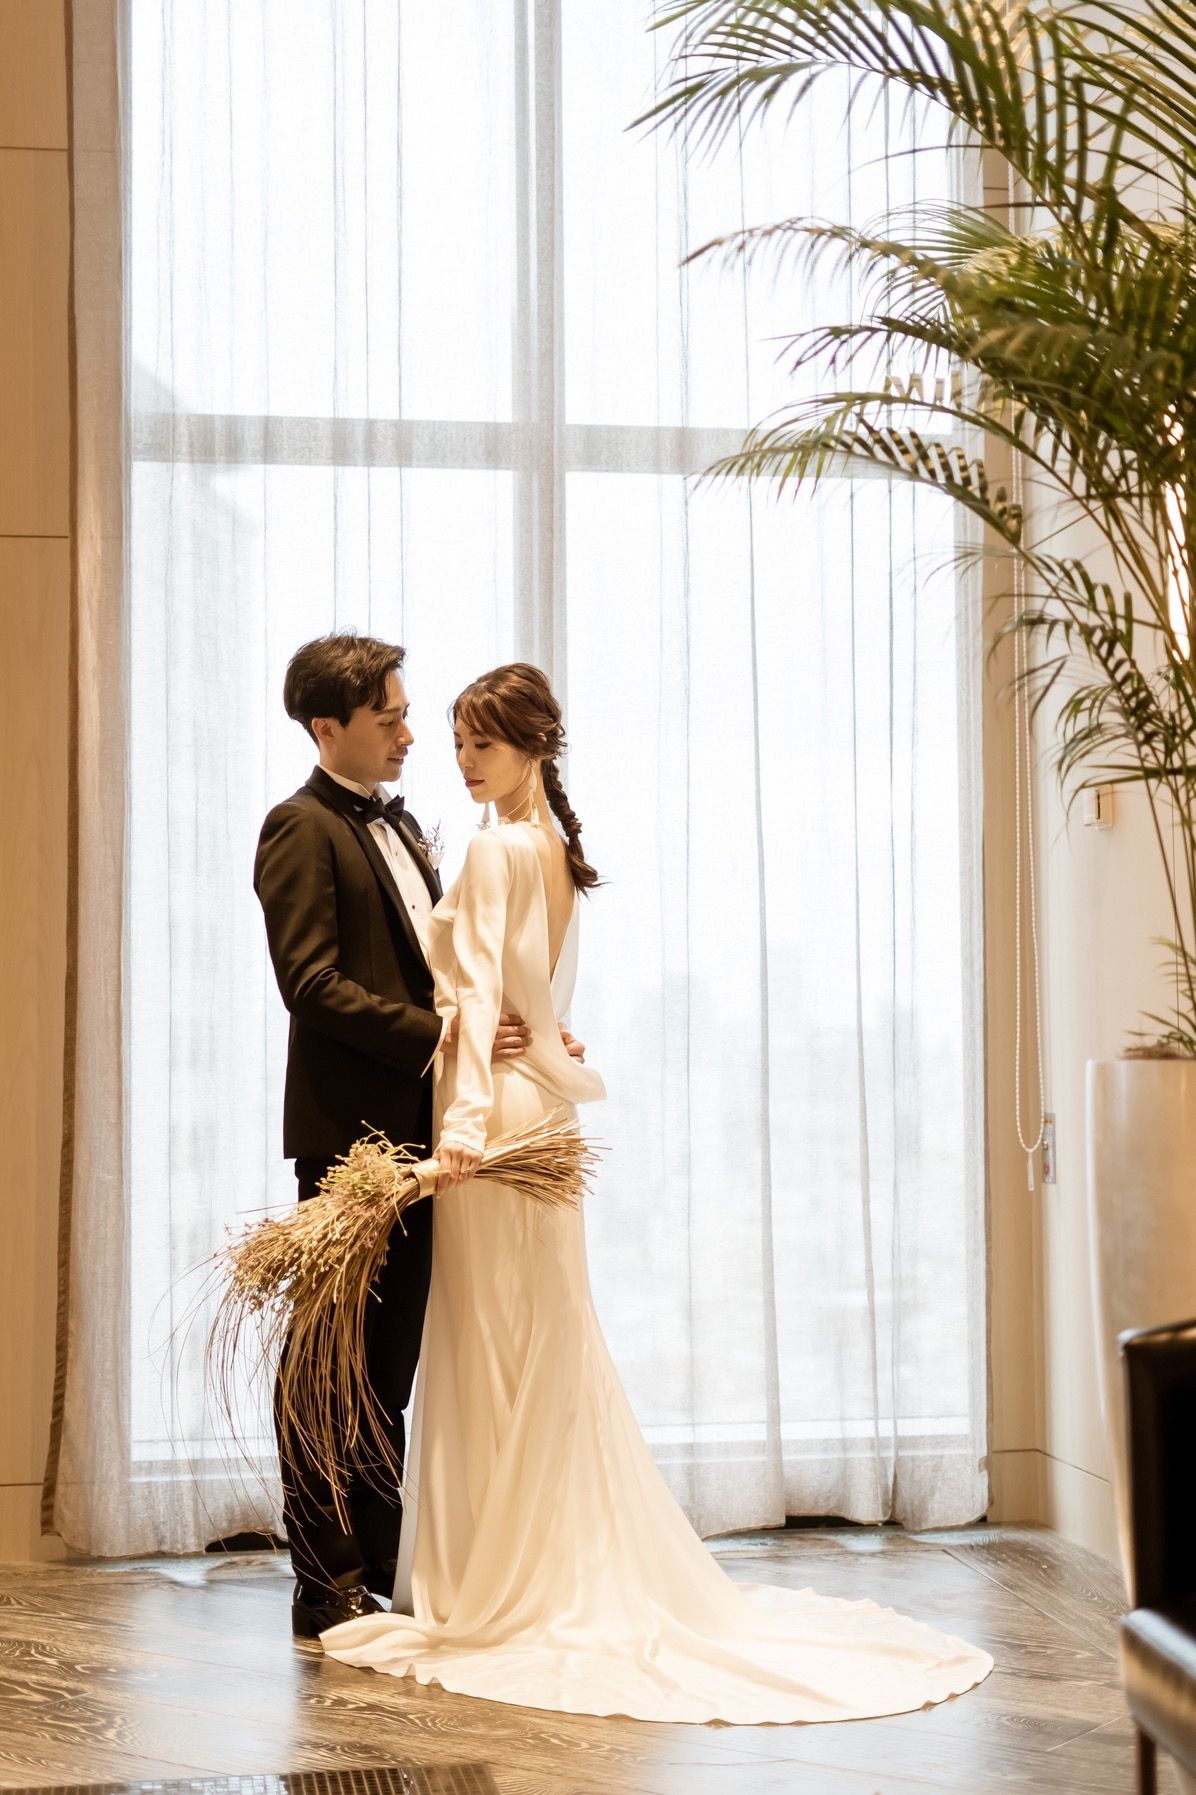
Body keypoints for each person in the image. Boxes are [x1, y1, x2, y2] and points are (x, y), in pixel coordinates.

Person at [319, 662, 994, 1724]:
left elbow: (484, 996)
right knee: (538, 1337)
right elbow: (531, 999)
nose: (462, 760)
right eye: (455, 742)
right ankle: (543, 1560)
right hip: (542, 1110)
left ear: (534, 746)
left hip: (490, 1120)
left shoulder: (497, 848)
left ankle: (495, 1580)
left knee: (494, 1342)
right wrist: (544, 1048)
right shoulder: (548, 846)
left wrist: (457, 1136)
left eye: (481, 743)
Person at [254, 633, 541, 1641]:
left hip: (424, 1144)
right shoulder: (298, 826)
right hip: (350, 1143)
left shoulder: (408, 824)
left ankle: (381, 1556)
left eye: (407, 714)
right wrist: (442, 1034)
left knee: (386, 1364)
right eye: (390, 718)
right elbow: (311, 984)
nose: (411, 735)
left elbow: (447, 969)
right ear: (326, 725)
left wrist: (521, 1029)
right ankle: (321, 1575)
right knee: (323, 1363)